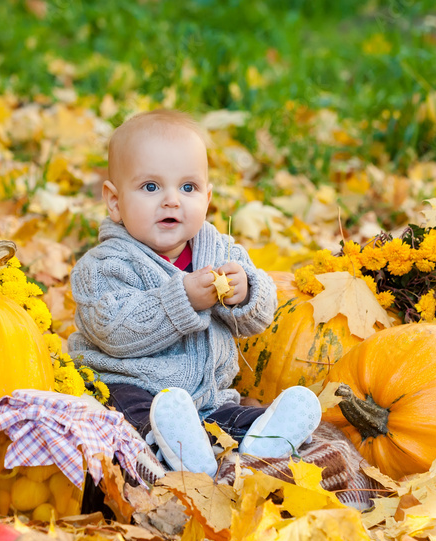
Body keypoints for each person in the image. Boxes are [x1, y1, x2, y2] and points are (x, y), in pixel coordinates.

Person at [67, 109, 321, 476]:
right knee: (123, 413)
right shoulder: (104, 265)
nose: (172, 200)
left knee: (233, 417)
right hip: (130, 387)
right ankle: (165, 449)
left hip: (210, 401)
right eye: (151, 187)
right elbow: (113, 330)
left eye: (188, 188)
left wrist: (246, 292)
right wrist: (182, 300)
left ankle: (260, 441)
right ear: (115, 201)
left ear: (207, 197)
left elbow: (260, 318)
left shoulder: (219, 250)